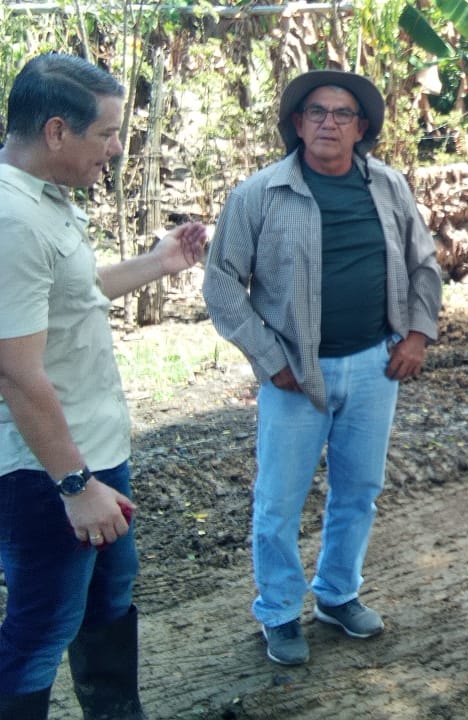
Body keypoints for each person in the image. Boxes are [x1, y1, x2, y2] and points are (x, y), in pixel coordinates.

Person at [202, 70, 442, 667]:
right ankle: (279, 611)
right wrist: (270, 359)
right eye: (316, 112)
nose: (329, 123)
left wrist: (416, 335)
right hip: (294, 377)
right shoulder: (259, 194)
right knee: (278, 502)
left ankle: (337, 594)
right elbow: (222, 284)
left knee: (359, 491)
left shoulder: (388, 186)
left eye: (342, 114)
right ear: (297, 123)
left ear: (362, 128)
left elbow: (423, 263)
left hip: (375, 366)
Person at [0, 53, 207, 719]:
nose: (117, 149)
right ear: (57, 132)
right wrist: (75, 486)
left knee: (106, 604)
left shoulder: (43, 201)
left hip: (92, 450)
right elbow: (15, 370)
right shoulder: (10, 220)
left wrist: (158, 262)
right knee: (40, 630)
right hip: (45, 468)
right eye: (108, 133)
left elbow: (71, 294)